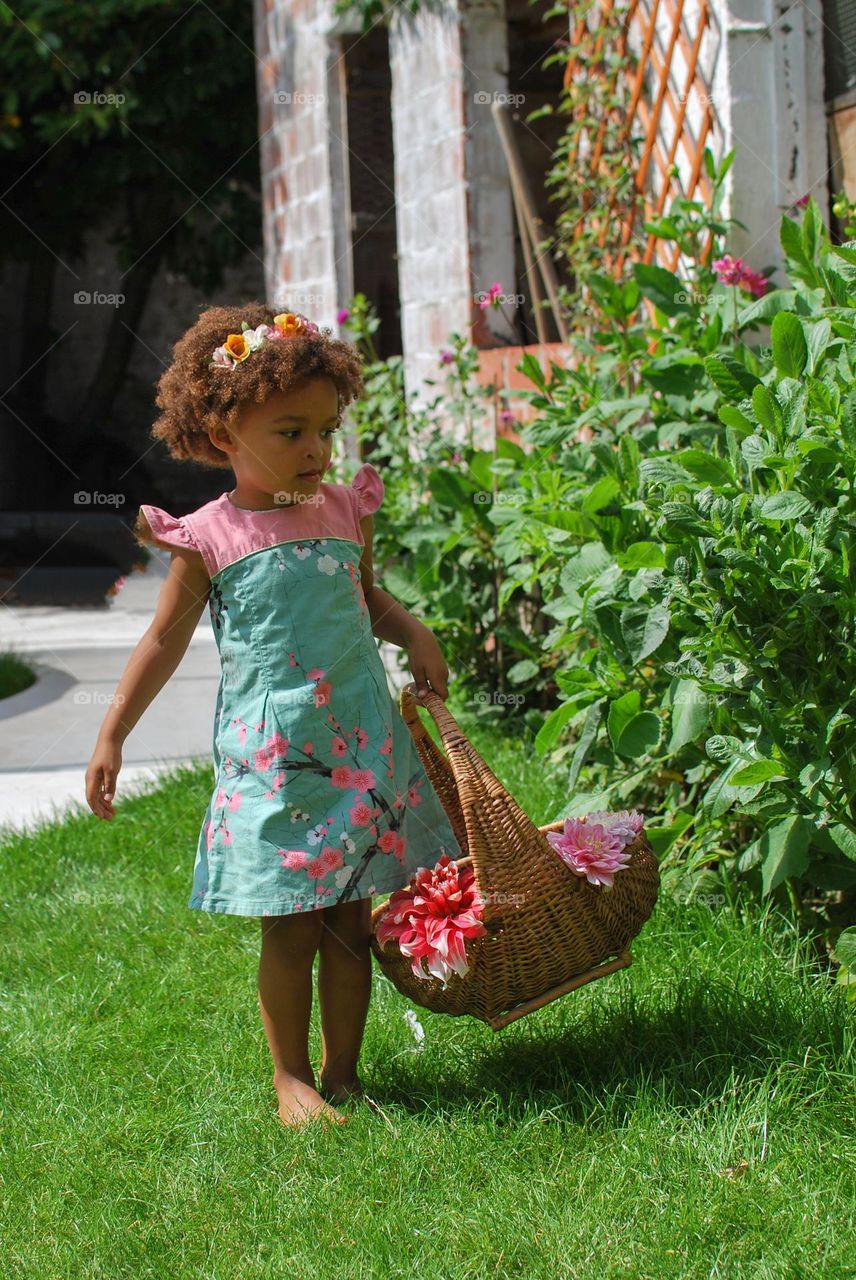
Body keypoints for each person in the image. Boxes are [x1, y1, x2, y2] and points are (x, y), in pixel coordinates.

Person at [85, 303, 463, 1128]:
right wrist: (113, 729)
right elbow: (161, 642)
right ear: (223, 437)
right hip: (276, 761)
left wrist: (415, 629)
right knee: (292, 930)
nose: (317, 450)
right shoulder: (209, 538)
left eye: (327, 430)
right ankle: (290, 1078)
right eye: (291, 432)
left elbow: (365, 599)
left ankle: (346, 1074)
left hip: (358, 752)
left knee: (349, 924)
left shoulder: (342, 511)